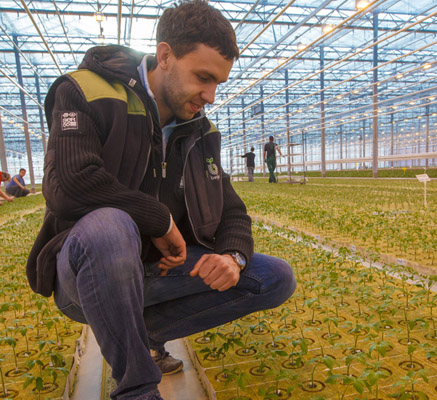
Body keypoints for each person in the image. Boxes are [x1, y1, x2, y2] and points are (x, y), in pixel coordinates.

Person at [27, 2, 296, 399]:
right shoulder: (87, 91)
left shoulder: (200, 131)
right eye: (203, 77)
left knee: (274, 278)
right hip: (87, 276)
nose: (210, 95)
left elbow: (232, 210)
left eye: (218, 83)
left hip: (159, 274)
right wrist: (160, 219)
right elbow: (69, 184)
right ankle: (138, 388)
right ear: (165, 55)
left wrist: (232, 257)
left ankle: (133, 336)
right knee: (110, 226)